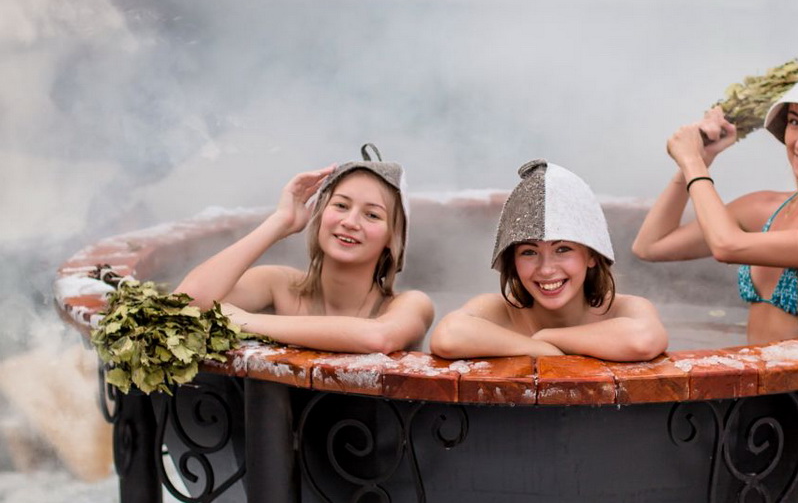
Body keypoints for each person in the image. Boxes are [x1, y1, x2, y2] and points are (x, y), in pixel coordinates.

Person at [632, 51, 798, 344]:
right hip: (751, 374)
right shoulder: (763, 209)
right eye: (795, 122)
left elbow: (727, 246)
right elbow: (650, 246)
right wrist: (700, 158)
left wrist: (692, 162)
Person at [174, 144, 433, 353]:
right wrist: (280, 222)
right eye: (341, 206)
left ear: (392, 237)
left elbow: (377, 338)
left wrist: (244, 320)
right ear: (320, 214)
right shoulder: (278, 285)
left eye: (372, 215)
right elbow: (184, 304)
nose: (350, 222)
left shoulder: (411, 304)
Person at [431, 159, 668, 361]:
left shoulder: (622, 309)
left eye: (563, 249)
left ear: (592, 256)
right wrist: (538, 349)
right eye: (529, 252)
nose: (546, 269)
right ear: (513, 261)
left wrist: (547, 336)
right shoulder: (501, 311)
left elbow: (643, 340)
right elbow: (448, 336)